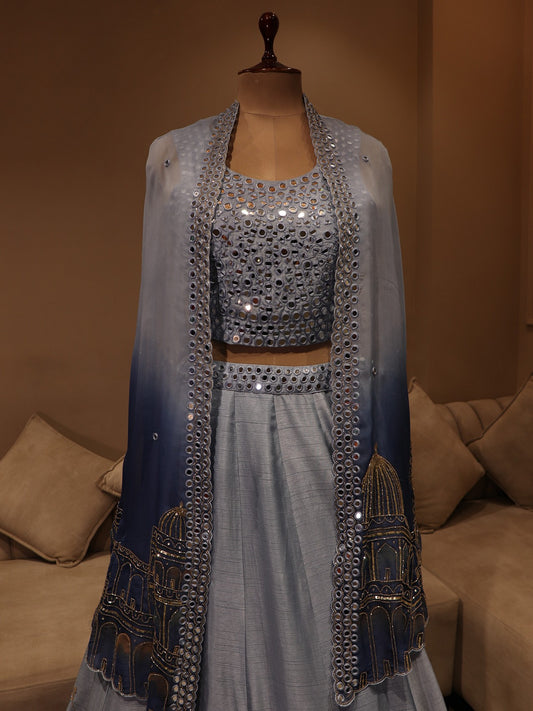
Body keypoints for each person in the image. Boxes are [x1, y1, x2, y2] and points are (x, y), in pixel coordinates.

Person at [68, 62, 446, 711]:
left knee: (330, 609)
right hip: (212, 439)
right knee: (212, 614)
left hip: (325, 435)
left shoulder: (366, 159)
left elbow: (381, 327)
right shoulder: (172, 158)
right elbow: (158, 334)